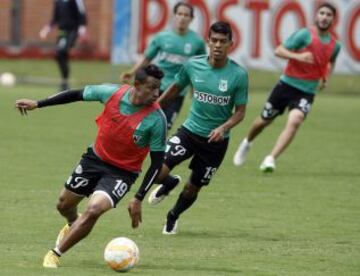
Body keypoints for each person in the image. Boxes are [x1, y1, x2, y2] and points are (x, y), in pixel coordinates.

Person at [15, 64, 167, 268]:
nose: (156, 93)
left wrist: (138, 197)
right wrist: (38, 103)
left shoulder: (157, 119)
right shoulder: (112, 93)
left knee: (94, 209)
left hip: (122, 173)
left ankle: (55, 254)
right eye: (151, 88)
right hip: (94, 159)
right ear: (136, 85)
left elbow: (157, 163)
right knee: (63, 205)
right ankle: (73, 223)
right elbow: (77, 94)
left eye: (159, 88)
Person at [148, 21, 248, 234]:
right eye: (214, 41)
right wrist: (153, 109)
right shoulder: (193, 65)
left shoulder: (238, 75)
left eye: (223, 41)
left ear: (231, 43)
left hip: (215, 142)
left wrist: (224, 127)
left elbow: (240, 112)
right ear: (208, 41)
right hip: (189, 132)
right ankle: (169, 182)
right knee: (157, 171)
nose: (218, 45)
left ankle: (173, 215)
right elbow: (175, 88)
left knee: (193, 188)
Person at [233, 2, 341, 172]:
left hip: (307, 91)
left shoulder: (336, 45)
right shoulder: (304, 35)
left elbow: (331, 61)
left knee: (295, 121)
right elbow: (279, 50)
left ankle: (270, 158)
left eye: (329, 14)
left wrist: (325, 77)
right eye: (322, 13)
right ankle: (247, 142)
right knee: (264, 121)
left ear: (333, 19)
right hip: (286, 86)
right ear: (316, 15)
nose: (324, 17)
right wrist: (298, 57)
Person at [121, 1, 206, 130]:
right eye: (179, 14)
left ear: (191, 18)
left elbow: (199, 67)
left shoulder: (197, 42)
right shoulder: (162, 37)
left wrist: (195, 86)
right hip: (156, 87)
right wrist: (132, 72)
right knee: (143, 121)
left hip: (177, 91)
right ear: (174, 16)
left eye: (186, 15)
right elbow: (147, 58)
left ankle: (156, 149)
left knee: (165, 126)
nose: (182, 17)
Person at [39, 0, 88, 91]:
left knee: (62, 51)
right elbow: (55, 18)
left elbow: (82, 15)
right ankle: (64, 82)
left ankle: (64, 83)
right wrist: (46, 30)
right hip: (62, 32)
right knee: (59, 55)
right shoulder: (57, 2)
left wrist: (82, 32)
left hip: (73, 31)